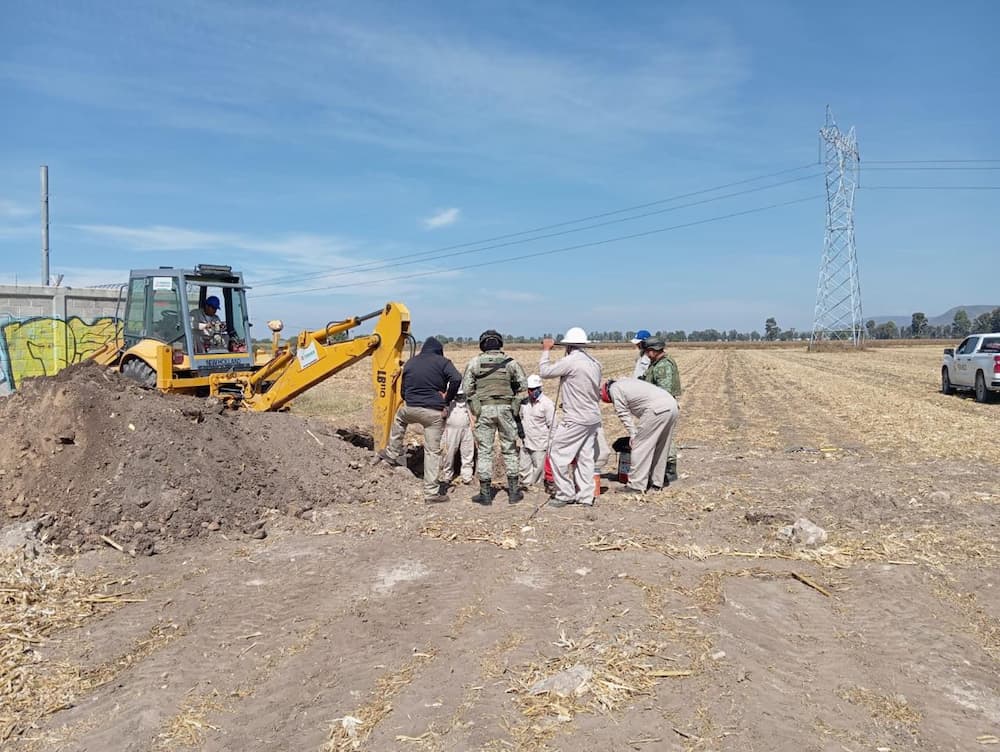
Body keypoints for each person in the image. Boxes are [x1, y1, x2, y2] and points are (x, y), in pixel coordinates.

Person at [377, 336, 462, 503]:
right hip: (433, 414)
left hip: (410, 409)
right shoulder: (443, 362)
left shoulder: (410, 362)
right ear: (439, 351)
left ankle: (391, 454)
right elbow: (457, 378)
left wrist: (410, 398)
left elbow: (402, 390)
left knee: (399, 420)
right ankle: (431, 493)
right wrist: (446, 399)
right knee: (432, 452)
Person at [462, 329, 528, 505]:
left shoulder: (475, 363)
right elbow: (523, 385)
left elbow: (467, 388)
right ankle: (514, 493)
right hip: (506, 409)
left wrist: (477, 402)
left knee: (485, 450)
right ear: (500, 344)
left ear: (482, 345)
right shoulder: (511, 363)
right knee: (509, 449)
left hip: (485, 410)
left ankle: (485, 495)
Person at [539, 327, 603, 507]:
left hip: (575, 417)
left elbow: (545, 371)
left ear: (568, 346)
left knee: (557, 453)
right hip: (592, 417)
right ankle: (586, 496)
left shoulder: (571, 361)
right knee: (585, 457)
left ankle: (565, 494)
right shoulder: (595, 363)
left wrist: (546, 350)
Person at [601, 378, 678, 494]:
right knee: (662, 447)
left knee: (640, 446)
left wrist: (633, 434)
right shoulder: (625, 382)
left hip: (657, 409)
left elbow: (623, 413)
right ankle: (656, 483)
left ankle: (636, 485)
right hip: (672, 405)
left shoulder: (614, 389)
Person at [639, 337, 682, 482]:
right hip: (660, 407)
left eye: (647, 351)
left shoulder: (663, 366)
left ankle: (669, 470)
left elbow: (665, 391)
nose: (646, 354)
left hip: (663, 408)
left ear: (653, 351)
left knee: (665, 438)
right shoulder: (657, 364)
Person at [518, 374, 555, 490]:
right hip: (525, 441)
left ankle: (535, 487)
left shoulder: (547, 404)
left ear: (539, 388)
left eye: (533, 389)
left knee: (538, 468)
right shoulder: (524, 403)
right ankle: (525, 485)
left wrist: (552, 443)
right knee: (524, 467)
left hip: (540, 443)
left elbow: (553, 425)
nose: (530, 392)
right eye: (529, 390)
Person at [439, 386, 475, 487]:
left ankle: (467, 476)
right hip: (451, 430)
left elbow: (471, 413)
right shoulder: (448, 401)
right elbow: (442, 415)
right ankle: (447, 476)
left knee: (467, 453)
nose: (460, 397)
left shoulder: (467, 401)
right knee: (449, 453)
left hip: (466, 429)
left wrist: (472, 425)